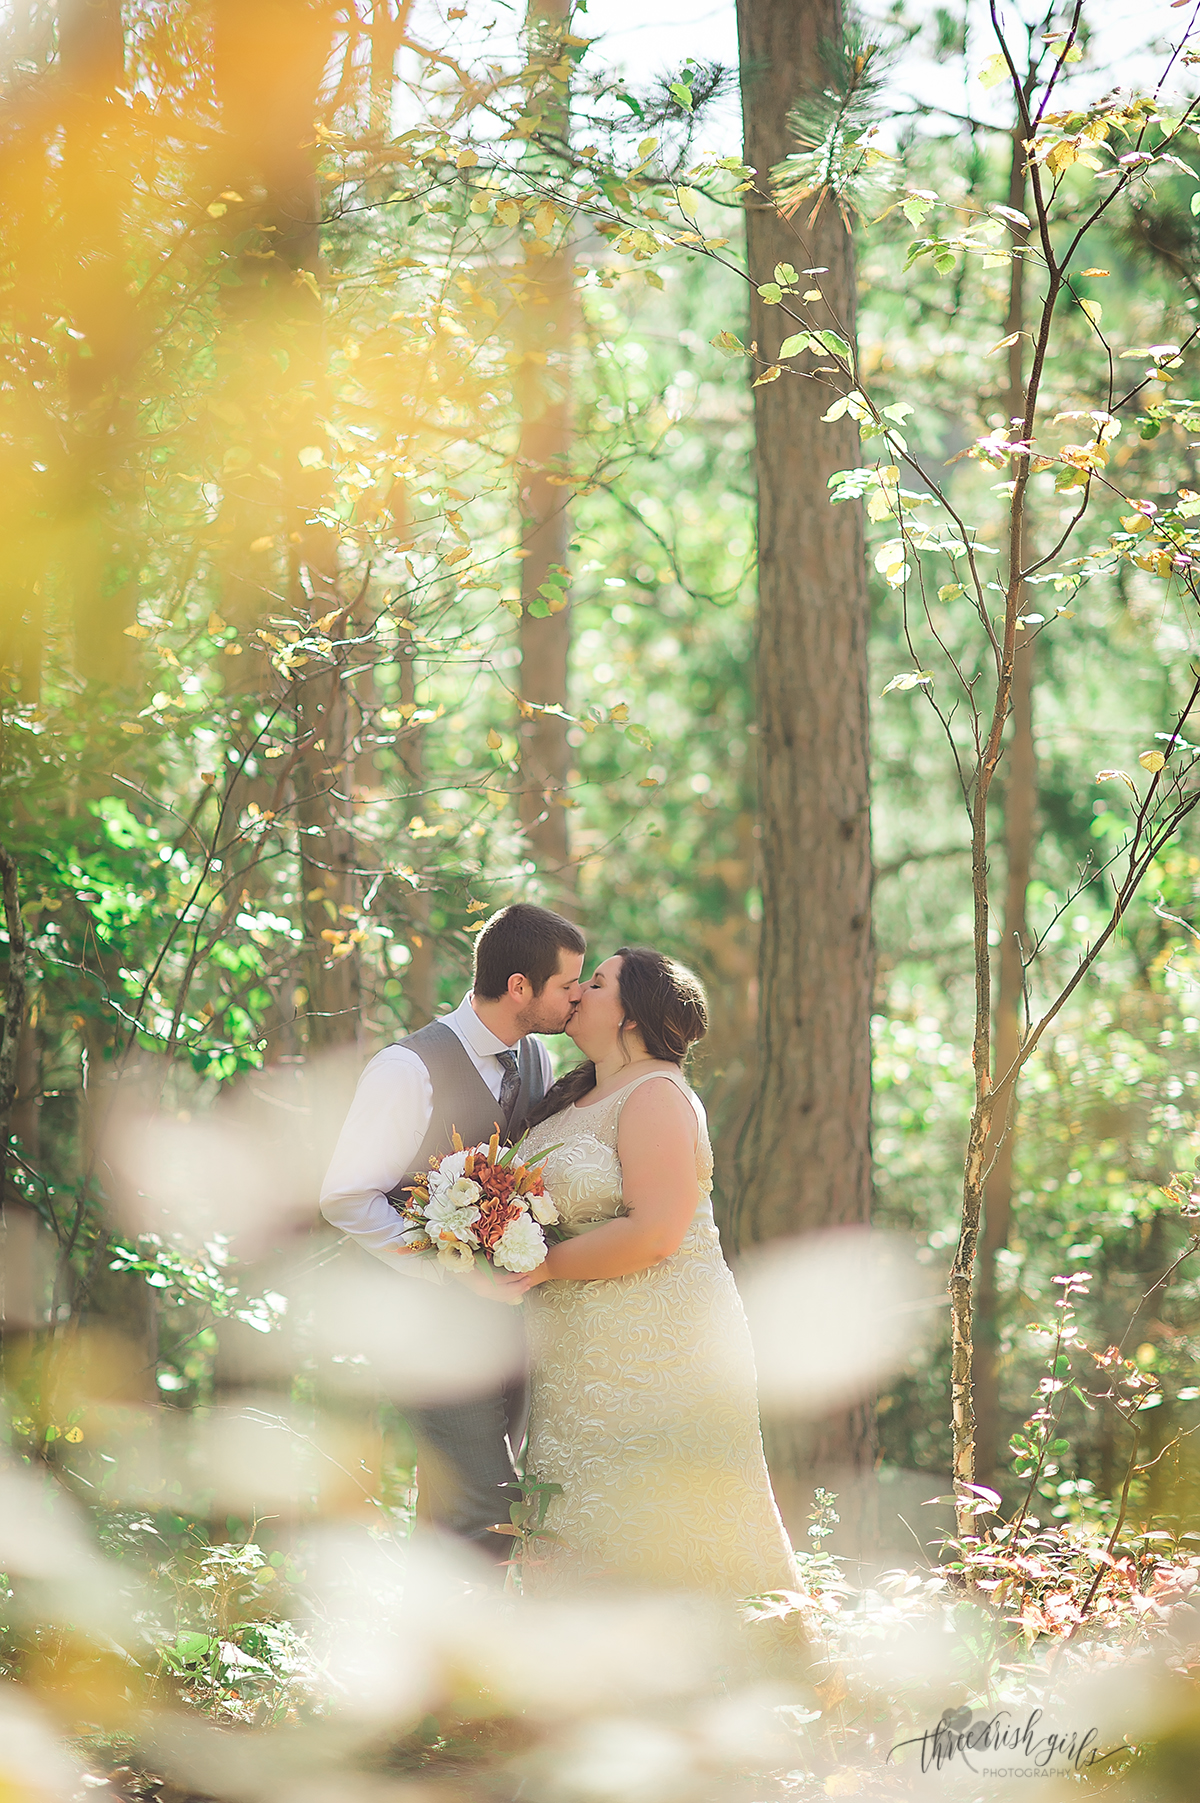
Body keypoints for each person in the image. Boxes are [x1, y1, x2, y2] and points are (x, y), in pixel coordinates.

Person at [492, 946, 797, 1599]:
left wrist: (545, 1266)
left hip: (659, 1344)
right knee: (577, 1504)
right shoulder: (573, 1095)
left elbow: (657, 1232)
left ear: (630, 1014)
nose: (576, 993)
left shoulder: (657, 1093)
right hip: (576, 1350)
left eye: (595, 983)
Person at [319, 902, 585, 1563]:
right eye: (567, 984)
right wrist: (446, 1265)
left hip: (511, 1326)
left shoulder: (537, 1058)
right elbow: (345, 1196)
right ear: (520, 986)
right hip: (431, 1329)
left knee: (453, 1508)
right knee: (485, 1507)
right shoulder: (405, 1069)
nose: (577, 997)